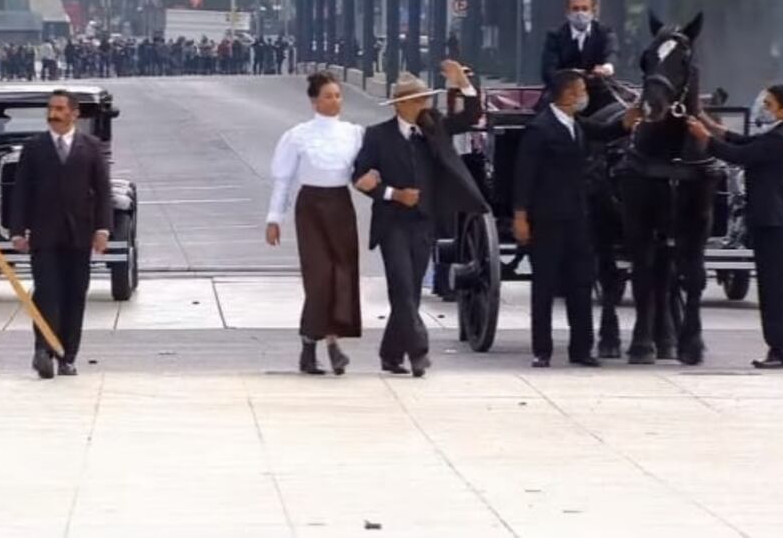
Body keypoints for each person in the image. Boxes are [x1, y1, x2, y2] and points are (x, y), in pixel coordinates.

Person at [352, 61, 487, 377]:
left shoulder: (433, 127)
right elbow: (360, 176)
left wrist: (463, 85)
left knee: (410, 290)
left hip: (425, 222)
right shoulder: (377, 136)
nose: (423, 105)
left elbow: (469, 117)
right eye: (416, 100)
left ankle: (390, 353)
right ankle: (419, 353)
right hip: (392, 222)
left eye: (425, 99)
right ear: (400, 104)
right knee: (400, 285)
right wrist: (393, 194)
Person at [513, 69, 634, 368]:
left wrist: (626, 122)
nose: (584, 95)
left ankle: (581, 348)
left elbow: (603, 131)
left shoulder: (576, 124)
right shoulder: (540, 129)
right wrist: (521, 216)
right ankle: (542, 350)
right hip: (548, 218)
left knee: (581, 282)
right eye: (581, 90)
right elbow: (524, 176)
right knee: (544, 285)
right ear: (568, 94)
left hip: (578, 217)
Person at [688, 84, 783, 369]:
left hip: (776, 223)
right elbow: (744, 143)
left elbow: (741, 155)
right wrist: (712, 126)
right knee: (769, 288)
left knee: (777, 290)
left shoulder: (781, 139)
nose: (763, 106)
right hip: (767, 222)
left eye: (770, 103)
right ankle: (779, 348)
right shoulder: (774, 135)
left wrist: (706, 139)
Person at [10, 90, 113, 379]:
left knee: (74, 295)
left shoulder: (91, 146)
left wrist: (103, 229)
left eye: (59, 108)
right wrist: (17, 230)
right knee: (46, 292)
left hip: (79, 235)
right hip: (43, 235)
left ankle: (68, 356)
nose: (53, 113)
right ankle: (43, 350)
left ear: (74, 113)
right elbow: (21, 192)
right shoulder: (34, 147)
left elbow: (103, 191)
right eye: (50, 108)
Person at [266, 71, 363, 375]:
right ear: (313, 101)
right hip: (311, 208)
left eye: (337, 95)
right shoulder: (298, 135)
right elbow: (283, 180)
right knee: (319, 277)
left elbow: (362, 171)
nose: (334, 101)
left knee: (342, 276)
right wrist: (274, 218)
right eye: (327, 96)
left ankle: (333, 344)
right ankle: (310, 343)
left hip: (340, 206)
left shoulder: (354, 133)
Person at [539, 0, 618, 111]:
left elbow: (612, 53)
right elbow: (548, 71)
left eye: (584, 9)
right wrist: (570, 75)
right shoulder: (555, 36)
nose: (580, 13)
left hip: (598, 91)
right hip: (564, 92)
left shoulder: (604, 32)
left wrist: (607, 67)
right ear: (567, 11)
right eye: (575, 9)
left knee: (618, 110)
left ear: (594, 11)